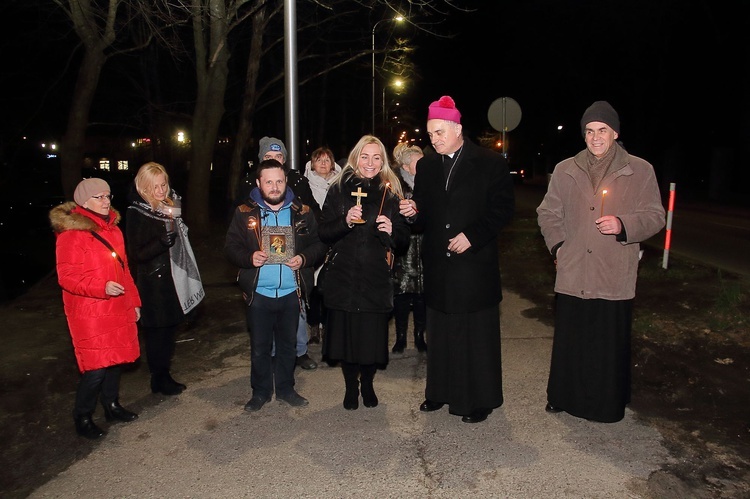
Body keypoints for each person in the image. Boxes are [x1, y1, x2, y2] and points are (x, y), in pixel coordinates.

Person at [537, 100, 666, 423]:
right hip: (574, 268)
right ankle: (562, 396)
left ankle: (606, 404)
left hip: (612, 272)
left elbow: (655, 216)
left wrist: (623, 224)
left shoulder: (640, 169)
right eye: (590, 131)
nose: (595, 137)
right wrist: (559, 247)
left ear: (615, 132)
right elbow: (548, 213)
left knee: (606, 343)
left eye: (602, 130)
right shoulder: (566, 169)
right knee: (572, 340)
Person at [399, 96, 515, 423]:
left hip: (474, 266)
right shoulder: (428, 165)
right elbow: (423, 214)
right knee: (441, 334)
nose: (433, 139)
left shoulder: (489, 162)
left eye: (438, 133)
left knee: (474, 336)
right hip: (439, 267)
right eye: (430, 134)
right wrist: (413, 211)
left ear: (457, 128)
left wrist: (473, 236)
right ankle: (439, 392)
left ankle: (480, 399)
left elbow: (502, 210)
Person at [225, 158, 327, 411]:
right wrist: (249, 258)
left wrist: (304, 258)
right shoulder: (244, 213)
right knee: (260, 348)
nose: (274, 187)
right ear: (259, 183)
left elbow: (319, 245)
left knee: (288, 345)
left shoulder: (302, 212)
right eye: (268, 182)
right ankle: (259, 392)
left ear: (285, 182)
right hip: (259, 293)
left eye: (279, 181)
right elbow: (230, 248)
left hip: (292, 291)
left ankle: (285, 389)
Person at [319, 135, 410, 410]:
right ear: (356, 158)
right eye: (365, 156)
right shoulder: (338, 189)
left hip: (374, 277)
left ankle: (368, 384)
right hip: (344, 275)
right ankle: (350, 387)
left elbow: (404, 241)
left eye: (376, 157)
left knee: (370, 340)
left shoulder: (391, 192)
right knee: (346, 339)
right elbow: (323, 232)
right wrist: (344, 221)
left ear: (383, 161)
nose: (370, 163)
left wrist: (392, 232)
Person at [49, 178, 141, 439]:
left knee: (116, 361)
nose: (105, 202)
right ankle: (83, 415)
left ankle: (111, 405)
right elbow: (66, 276)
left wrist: (134, 302)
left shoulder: (113, 229)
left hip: (117, 304)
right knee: (96, 367)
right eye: (99, 197)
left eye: (108, 196)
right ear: (83, 202)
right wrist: (101, 287)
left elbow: (124, 271)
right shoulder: (71, 234)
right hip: (89, 311)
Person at [237, 137, 319, 370]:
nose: (274, 161)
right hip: (262, 272)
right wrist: (249, 254)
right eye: (268, 158)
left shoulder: (298, 183)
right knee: (264, 328)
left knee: (296, 311)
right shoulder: (247, 189)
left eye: (279, 157)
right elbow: (236, 234)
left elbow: (312, 218)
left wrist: (303, 252)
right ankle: (270, 363)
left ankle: (299, 353)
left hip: (293, 265)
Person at [126, 162, 205, 396]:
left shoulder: (170, 207)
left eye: (163, 185)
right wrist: (160, 243)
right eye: (155, 187)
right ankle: (158, 378)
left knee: (169, 330)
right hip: (153, 283)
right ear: (143, 188)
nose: (161, 191)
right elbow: (136, 253)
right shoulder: (136, 212)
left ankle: (164, 374)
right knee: (157, 333)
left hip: (172, 279)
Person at [390, 143, 427, 354]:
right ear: (405, 165)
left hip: (424, 247)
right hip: (404, 248)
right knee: (402, 295)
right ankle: (401, 337)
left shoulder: (428, 184)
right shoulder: (395, 186)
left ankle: (420, 336)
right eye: (418, 162)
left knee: (422, 294)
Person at [302, 146, 341, 344]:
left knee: (329, 285)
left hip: (334, 239)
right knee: (313, 286)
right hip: (314, 240)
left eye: (327, 159)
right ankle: (314, 326)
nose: (324, 163)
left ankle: (328, 326)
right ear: (312, 163)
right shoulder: (305, 184)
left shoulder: (341, 183)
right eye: (319, 160)